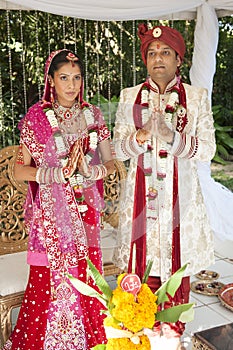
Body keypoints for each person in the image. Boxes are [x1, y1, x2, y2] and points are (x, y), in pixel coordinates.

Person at [2, 49, 115, 350]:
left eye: (77, 78)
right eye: (64, 77)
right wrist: (53, 174)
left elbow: (112, 161)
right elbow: (19, 168)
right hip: (50, 215)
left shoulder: (93, 114)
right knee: (46, 278)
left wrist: (91, 170)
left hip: (84, 210)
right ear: (51, 80)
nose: (71, 85)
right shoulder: (36, 118)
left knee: (85, 275)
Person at [112, 23, 216, 336]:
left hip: (180, 200)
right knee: (143, 261)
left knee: (176, 260)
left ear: (178, 60)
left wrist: (173, 138)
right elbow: (117, 147)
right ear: (145, 60)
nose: (158, 58)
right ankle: (141, 320)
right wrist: (141, 136)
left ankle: (173, 325)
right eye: (152, 53)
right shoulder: (130, 96)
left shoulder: (196, 98)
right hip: (141, 200)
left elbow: (208, 149)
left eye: (165, 52)